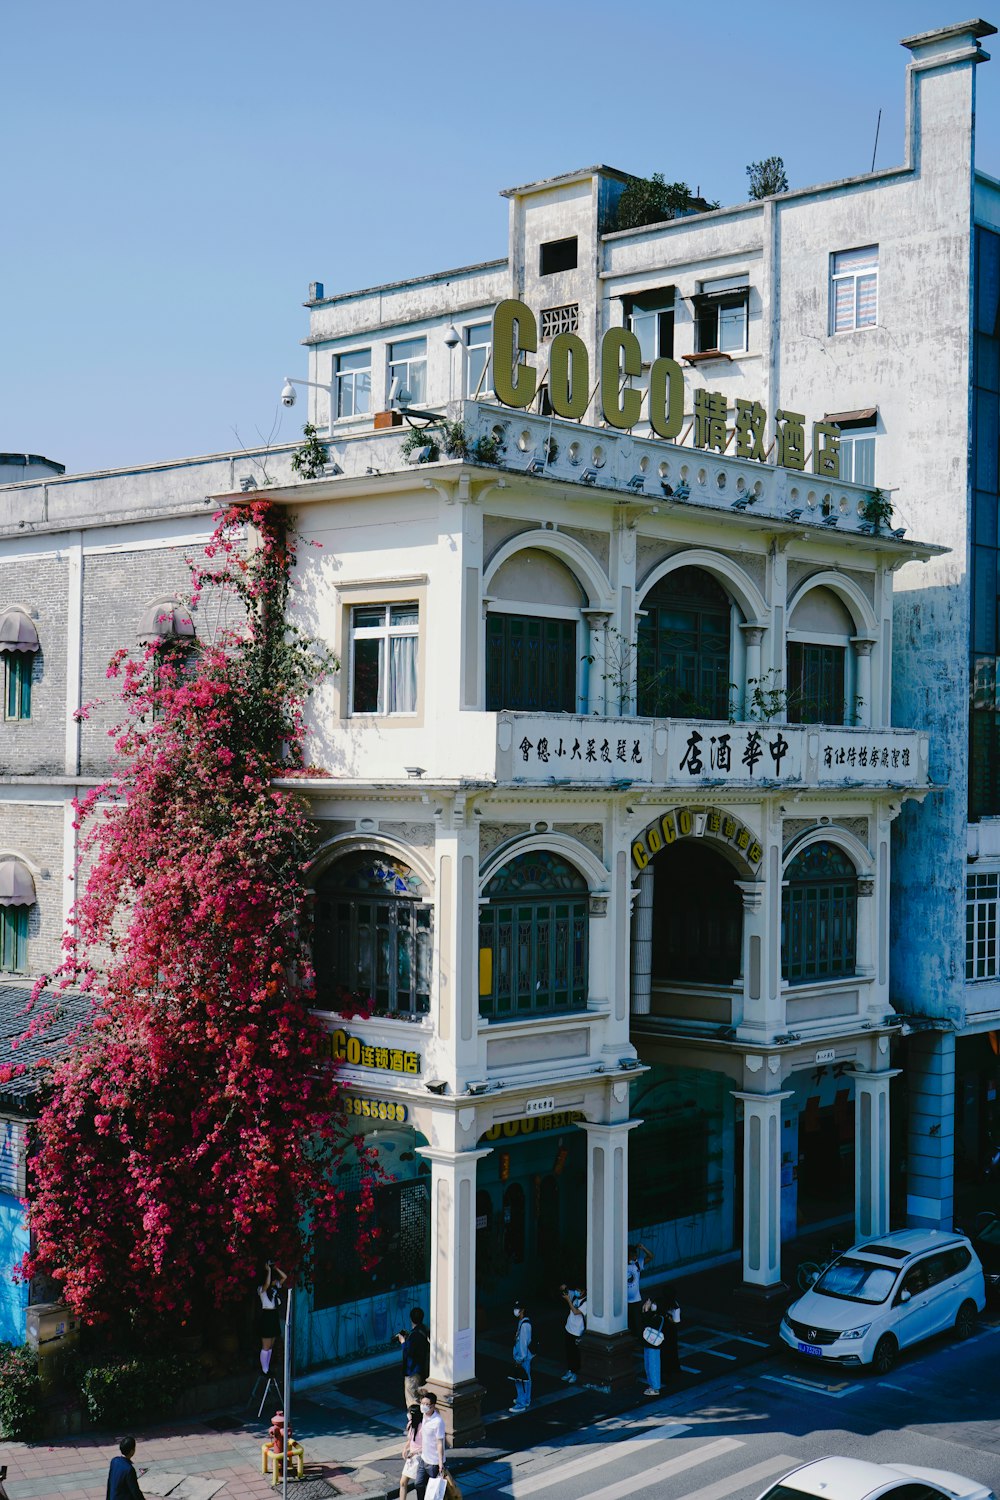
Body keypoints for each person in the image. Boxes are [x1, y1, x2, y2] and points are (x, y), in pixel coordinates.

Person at [257, 1259, 288, 1374]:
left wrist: (275, 1269)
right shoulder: (261, 1289)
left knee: (271, 1345)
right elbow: (266, 1284)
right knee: (266, 1345)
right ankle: (264, 1369)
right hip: (267, 1315)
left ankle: (267, 1367)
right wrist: (268, 1271)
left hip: (274, 1315)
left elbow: (284, 1277)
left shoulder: (275, 1288)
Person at [398, 1306, 430, 1409]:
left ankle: (415, 1422)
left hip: (412, 1371)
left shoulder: (414, 1336)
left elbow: (409, 1353)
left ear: (411, 1319)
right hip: (422, 1369)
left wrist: (403, 1342)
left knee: (412, 1400)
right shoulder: (424, 1329)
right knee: (420, 1396)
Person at [418, 1391, 446, 1491]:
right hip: (424, 1458)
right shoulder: (424, 1416)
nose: (423, 1406)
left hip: (434, 1462)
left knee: (433, 1489)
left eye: (426, 1404)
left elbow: (440, 1443)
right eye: (422, 1403)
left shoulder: (438, 1422)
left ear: (433, 1406)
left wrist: (440, 1463)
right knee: (419, 1484)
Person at [398, 1404, 426, 1500]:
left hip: (420, 1457)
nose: (408, 1414)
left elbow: (427, 1446)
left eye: (409, 1412)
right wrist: (405, 1449)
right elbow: (410, 1440)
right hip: (412, 1458)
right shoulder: (411, 1424)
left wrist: (413, 1453)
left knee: (419, 1485)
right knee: (402, 1482)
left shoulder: (423, 1428)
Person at [560, 1284, 586, 1383]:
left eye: (579, 1290)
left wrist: (568, 1300)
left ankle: (575, 1373)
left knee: (575, 1353)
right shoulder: (574, 1296)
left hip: (577, 1331)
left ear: (584, 1291)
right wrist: (564, 1288)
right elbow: (565, 1291)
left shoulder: (586, 1302)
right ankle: (570, 1371)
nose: (577, 1292)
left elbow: (575, 1311)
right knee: (569, 1351)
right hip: (569, 1328)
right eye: (576, 1289)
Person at [510, 1299, 533, 1412]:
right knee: (526, 1379)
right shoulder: (523, 1322)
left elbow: (523, 1343)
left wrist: (520, 1358)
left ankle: (521, 1403)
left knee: (520, 1380)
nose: (516, 1311)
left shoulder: (524, 1325)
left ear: (522, 1310)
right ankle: (526, 1399)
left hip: (522, 1357)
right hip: (525, 1356)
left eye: (517, 1309)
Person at [626, 1242, 652, 1336]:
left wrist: (643, 1248)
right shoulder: (621, 1265)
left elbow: (650, 1256)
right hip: (624, 1301)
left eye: (636, 1255)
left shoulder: (637, 1264)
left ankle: (638, 1338)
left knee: (638, 1322)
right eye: (633, 1255)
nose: (635, 1257)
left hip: (636, 1300)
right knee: (627, 1322)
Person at [641, 1296, 664, 1397]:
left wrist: (646, 1310)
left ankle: (655, 1387)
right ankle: (652, 1385)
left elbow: (646, 1323)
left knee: (652, 1365)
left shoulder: (658, 1318)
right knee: (649, 1365)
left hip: (653, 1345)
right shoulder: (654, 1316)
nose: (652, 1306)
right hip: (649, 1343)